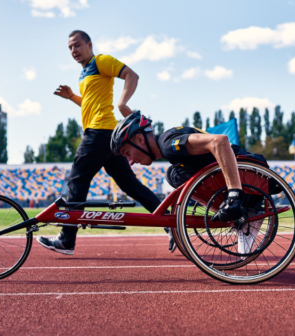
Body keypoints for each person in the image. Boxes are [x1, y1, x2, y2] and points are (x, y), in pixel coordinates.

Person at [37, 30, 171, 255]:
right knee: (129, 184)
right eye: (70, 48)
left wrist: (123, 103)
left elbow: (132, 75)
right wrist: (72, 96)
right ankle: (169, 223)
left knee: (77, 181)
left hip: (99, 133)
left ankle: (66, 240)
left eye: (77, 45)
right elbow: (91, 105)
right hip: (108, 135)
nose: (74, 51)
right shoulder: (85, 74)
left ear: (89, 44)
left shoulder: (101, 61)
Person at [111, 111, 269, 229]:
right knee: (173, 175)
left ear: (140, 139)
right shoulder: (168, 148)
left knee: (177, 175)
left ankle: (244, 209)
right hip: (246, 178)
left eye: (127, 154)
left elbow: (220, 141)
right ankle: (241, 211)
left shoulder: (168, 144)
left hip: (249, 176)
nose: (130, 162)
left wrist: (235, 195)